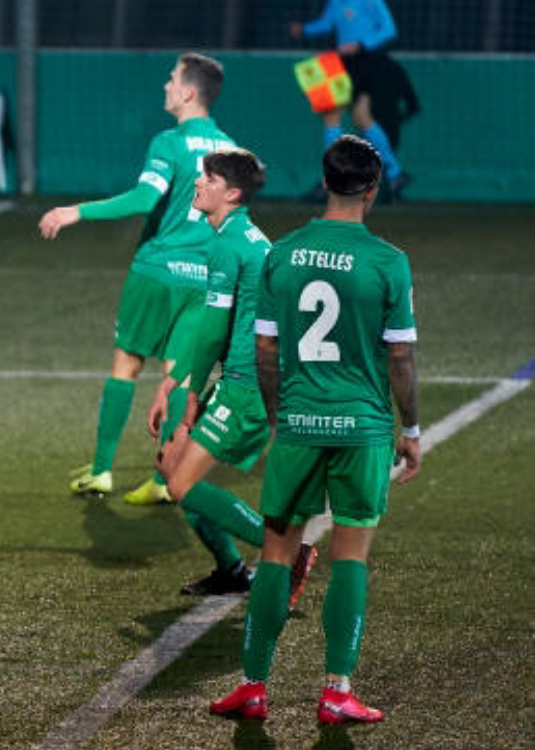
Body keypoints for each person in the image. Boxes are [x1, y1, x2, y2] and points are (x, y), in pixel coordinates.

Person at [209, 136, 420, 724]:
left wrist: (282, 417)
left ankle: (253, 686)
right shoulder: (387, 261)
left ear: (324, 181)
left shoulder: (284, 254)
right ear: (372, 190)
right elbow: (400, 361)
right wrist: (414, 429)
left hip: (299, 424)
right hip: (363, 429)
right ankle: (336, 692)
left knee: (277, 553)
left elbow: (266, 348)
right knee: (350, 553)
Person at [39, 52, 236, 505]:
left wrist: (75, 211)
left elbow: (145, 198)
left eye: (171, 80)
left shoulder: (168, 142)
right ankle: (165, 480)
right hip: (202, 278)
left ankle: (103, 471)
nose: (165, 86)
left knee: (127, 364)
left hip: (157, 271)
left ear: (188, 92)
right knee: (179, 376)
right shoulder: (231, 149)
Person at [147, 150, 317, 602]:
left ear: (233, 193)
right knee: (169, 464)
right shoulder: (247, 239)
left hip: (245, 387)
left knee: (180, 481)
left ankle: (286, 549)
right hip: (247, 379)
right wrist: (177, 377)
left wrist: (187, 395)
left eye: (209, 178)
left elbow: (214, 329)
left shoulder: (229, 245)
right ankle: (231, 569)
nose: (198, 184)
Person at [291, 0, 412, 199]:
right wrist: (304, 29)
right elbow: (327, 24)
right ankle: (395, 174)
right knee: (362, 118)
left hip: (365, 61)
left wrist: (362, 44)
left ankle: (333, 181)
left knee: (332, 116)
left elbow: (389, 29)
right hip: (343, 61)